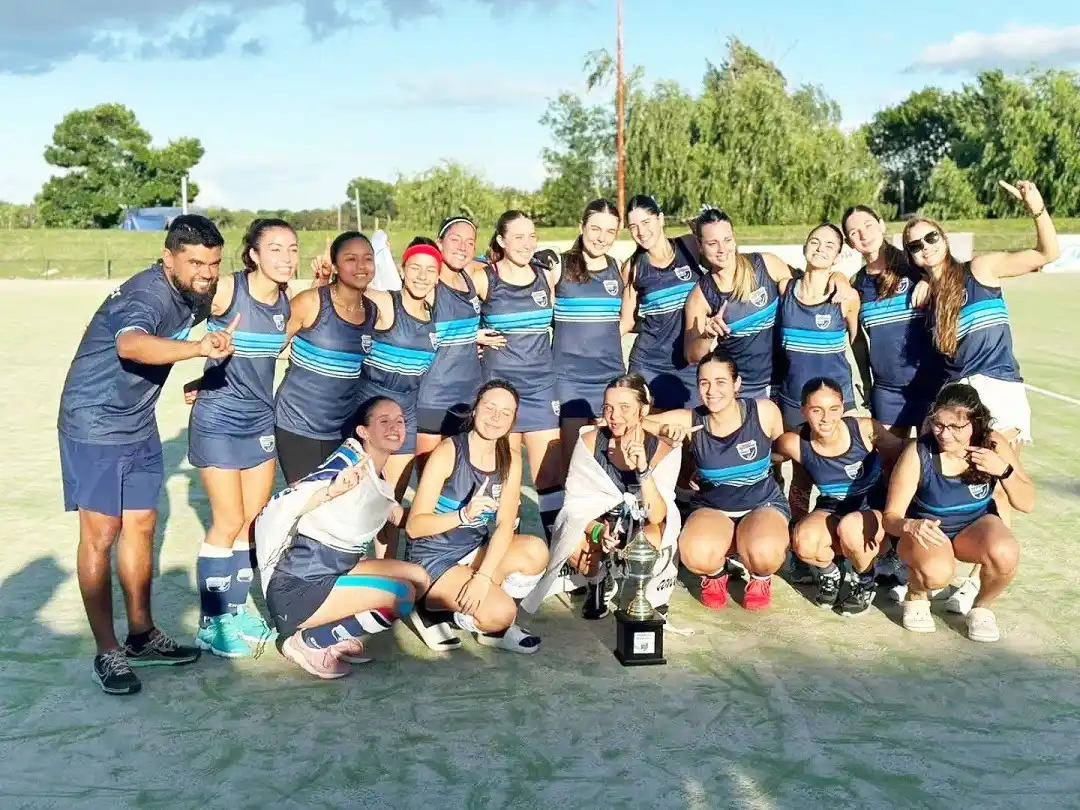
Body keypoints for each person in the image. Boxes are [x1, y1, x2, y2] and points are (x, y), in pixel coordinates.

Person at [56, 215, 224, 695]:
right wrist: (195, 350)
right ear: (167, 256)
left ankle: (142, 635)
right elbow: (131, 345)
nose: (206, 273)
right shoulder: (146, 294)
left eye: (213, 262)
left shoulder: (195, 288)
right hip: (93, 421)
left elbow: (232, 293)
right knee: (101, 533)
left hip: (137, 421)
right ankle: (106, 651)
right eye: (195, 262)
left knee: (143, 524)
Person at [903, 180, 1058, 612]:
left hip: (998, 386)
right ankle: (937, 562)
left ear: (944, 239)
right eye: (915, 245)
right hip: (959, 395)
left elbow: (1048, 254)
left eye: (931, 238)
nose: (925, 247)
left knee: (1002, 484)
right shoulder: (927, 298)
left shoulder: (981, 269)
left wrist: (1036, 207)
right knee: (966, 477)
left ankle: (974, 583)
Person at [182, 218, 296, 658]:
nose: (286, 258)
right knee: (227, 521)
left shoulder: (286, 303)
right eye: (275, 249)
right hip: (218, 422)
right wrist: (191, 358)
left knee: (251, 522)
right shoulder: (229, 290)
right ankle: (211, 622)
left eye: (292, 249)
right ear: (253, 255)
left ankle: (234, 611)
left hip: (259, 422)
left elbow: (260, 356)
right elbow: (176, 319)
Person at [255, 397, 431, 679]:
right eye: (383, 421)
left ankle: (328, 633)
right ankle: (307, 642)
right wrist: (331, 492)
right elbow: (291, 499)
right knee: (402, 596)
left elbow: (398, 517)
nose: (395, 427)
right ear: (363, 432)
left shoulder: (376, 474)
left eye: (399, 421)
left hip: (338, 568)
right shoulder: (346, 463)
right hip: (300, 586)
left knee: (418, 577)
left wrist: (458, 515)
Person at [404, 381, 549, 654]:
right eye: (490, 408)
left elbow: (506, 523)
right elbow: (414, 526)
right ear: (474, 410)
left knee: (535, 551)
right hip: (433, 557)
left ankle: (489, 626)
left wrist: (482, 578)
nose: (496, 417)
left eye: (506, 413)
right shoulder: (449, 451)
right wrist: (462, 514)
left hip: (473, 549)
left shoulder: (511, 457)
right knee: (502, 613)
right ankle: (430, 610)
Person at [522, 374, 681, 620]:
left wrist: (643, 470)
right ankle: (598, 581)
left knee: (651, 546)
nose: (614, 416)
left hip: (642, 526)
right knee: (571, 540)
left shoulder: (662, 448)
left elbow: (659, 514)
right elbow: (573, 506)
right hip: (600, 523)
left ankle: (644, 593)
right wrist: (598, 531)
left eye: (624, 407)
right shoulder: (589, 441)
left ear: (644, 409)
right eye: (608, 407)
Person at [882, 383, 1033, 642]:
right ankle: (916, 594)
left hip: (974, 529)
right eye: (939, 424)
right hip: (928, 533)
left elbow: (1027, 503)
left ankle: (981, 608)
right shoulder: (919, 452)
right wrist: (910, 526)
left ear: (976, 423)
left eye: (956, 427)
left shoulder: (993, 443)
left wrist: (1003, 471)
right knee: (938, 573)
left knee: (1006, 552)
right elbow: (890, 518)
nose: (945, 434)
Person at [652, 350, 789, 611]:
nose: (712, 390)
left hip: (763, 504)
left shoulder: (764, 411)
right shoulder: (689, 420)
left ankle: (760, 575)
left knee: (764, 552)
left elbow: (782, 452)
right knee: (695, 554)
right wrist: (666, 433)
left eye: (720, 382)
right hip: (714, 507)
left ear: (737, 384)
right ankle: (715, 574)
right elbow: (642, 423)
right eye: (704, 383)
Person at [775, 378, 903, 616]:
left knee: (852, 527)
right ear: (803, 410)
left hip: (871, 510)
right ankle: (830, 572)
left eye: (834, 409)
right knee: (804, 540)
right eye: (816, 410)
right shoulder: (793, 442)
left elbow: (907, 453)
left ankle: (865, 579)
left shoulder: (864, 429)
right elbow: (762, 461)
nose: (826, 418)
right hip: (831, 508)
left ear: (843, 407)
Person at [472, 211, 564, 541]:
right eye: (518, 237)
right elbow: (448, 311)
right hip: (500, 391)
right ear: (501, 240)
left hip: (542, 386)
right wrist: (474, 334)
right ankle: (505, 551)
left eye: (532, 236)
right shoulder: (484, 278)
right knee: (507, 474)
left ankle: (558, 556)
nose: (527, 244)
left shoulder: (546, 276)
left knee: (548, 473)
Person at [355, 237, 440, 555]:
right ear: (402, 269)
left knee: (390, 506)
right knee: (357, 501)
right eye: (415, 267)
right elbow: (341, 295)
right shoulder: (386, 302)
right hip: (368, 412)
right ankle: (349, 580)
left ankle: (384, 585)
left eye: (430, 269)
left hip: (405, 418)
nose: (422, 275)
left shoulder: (433, 316)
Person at [274, 231, 379, 485]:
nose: (361, 266)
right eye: (350, 259)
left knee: (337, 506)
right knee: (307, 504)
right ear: (334, 265)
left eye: (367, 258)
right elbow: (266, 350)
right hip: (297, 424)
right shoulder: (310, 302)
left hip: (343, 427)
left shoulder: (372, 310)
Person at [842, 205, 937, 437]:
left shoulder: (917, 267)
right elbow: (858, 340)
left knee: (935, 463)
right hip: (887, 391)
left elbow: (953, 277)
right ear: (849, 242)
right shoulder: (856, 285)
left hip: (931, 384)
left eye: (868, 225)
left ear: (882, 225)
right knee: (889, 465)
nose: (863, 234)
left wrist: (931, 279)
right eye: (854, 232)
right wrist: (866, 381)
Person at [682, 207, 792, 399]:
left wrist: (838, 277)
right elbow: (692, 356)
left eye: (727, 240)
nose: (722, 249)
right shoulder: (700, 296)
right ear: (700, 246)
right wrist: (707, 336)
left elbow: (806, 293)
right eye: (712, 243)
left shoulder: (766, 265)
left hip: (787, 380)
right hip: (744, 390)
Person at [552, 199, 627, 469]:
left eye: (610, 232)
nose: (601, 238)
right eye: (596, 228)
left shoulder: (618, 268)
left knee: (606, 462)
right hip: (568, 379)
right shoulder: (557, 267)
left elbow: (627, 319)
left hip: (609, 378)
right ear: (581, 226)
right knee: (572, 464)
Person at [415, 217, 497, 464]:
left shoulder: (470, 277)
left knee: (459, 476)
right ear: (439, 243)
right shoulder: (428, 283)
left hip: (469, 394)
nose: (462, 247)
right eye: (455, 239)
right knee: (430, 477)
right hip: (433, 395)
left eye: (469, 242)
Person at [622, 195, 703, 411]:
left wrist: (703, 229)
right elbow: (626, 321)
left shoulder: (690, 247)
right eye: (633, 226)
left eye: (646, 222)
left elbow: (725, 259)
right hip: (648, 365)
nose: (641, 231)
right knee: (648, 435)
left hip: (690, 365)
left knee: (691, 436)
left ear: (661, 219)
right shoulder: (633, 267)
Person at [776, 224, 860, 429]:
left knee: (833, 458)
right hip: (794, 397)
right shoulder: (784, 288)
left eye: (829, 246)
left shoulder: (846, 297)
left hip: (833, 399)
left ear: (837, 257)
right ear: (805, 247)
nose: (820, 248)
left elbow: (856, 342)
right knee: (798, 456)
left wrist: (864, 384)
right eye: (815, 242)